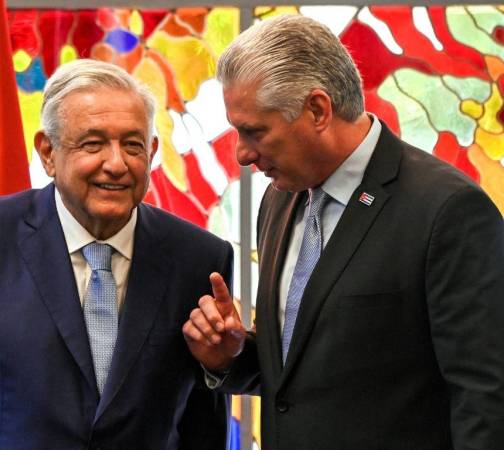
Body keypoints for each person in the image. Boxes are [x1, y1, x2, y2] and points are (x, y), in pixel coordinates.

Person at [183, 14, 504, 450]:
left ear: (317, 110)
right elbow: (304, 371)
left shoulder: (446, 210)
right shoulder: (279, 200)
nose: (241, 154)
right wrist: (232, 356)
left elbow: (485, 397)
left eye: (253, 131)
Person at [0, 59, 233, 449]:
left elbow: (204, 424)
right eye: (93, 144)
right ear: (47, 152)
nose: (116, 164)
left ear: (152, 151)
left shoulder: (198, 258)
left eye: (132, 145)